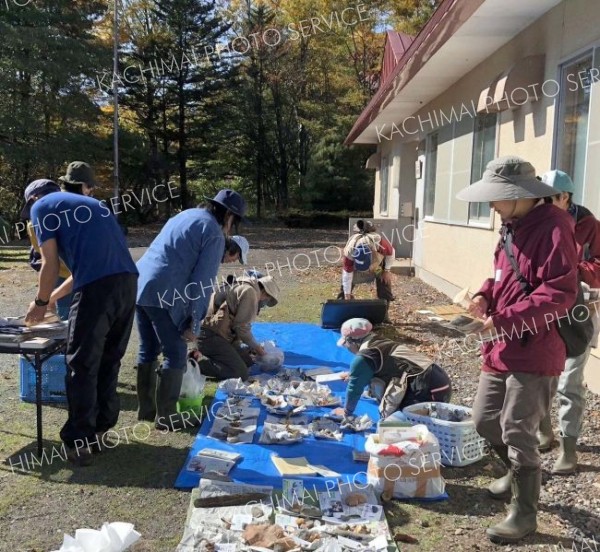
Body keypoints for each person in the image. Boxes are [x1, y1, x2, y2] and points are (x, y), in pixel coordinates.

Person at [456, 156, 579, 543]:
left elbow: (559, 292)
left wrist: (505, 319)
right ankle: (511, 471)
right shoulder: (509, 227)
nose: (491, 205)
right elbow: (501, 277)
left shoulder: (556, 226)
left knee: (518, 428)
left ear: (518, 195)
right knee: (483, 418)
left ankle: (525, 513)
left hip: (536, 346)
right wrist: (481, 296)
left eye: (496, 198)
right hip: (500, 343)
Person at [24, 163, 138, 467]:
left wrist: (39, 301)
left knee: (82, 363)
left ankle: (78, 442)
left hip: (98, 290)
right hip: (127, 283)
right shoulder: (96, 206)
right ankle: (100, 430)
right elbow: (80, 273)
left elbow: (49, 264)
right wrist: (53, 300)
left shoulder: (42, 208)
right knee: (109, 360)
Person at [135, 189, 247, 431]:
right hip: (164, 291)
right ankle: (166, 417)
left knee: (148, 349)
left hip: (140, 282)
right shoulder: (214, 234)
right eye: (234, 222)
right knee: (175, 352)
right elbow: (202, 282)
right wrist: (194, 324)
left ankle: (146, 410)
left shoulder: (185, 215)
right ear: (229, 216)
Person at [536, 170, 600, 474]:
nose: (544, 203)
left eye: (551, 198)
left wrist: (570, 270)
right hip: (547, 310)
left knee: (569, 380)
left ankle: (569, 449)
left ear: (566, 197)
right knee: (542, 374)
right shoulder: (538, 223)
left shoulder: (588, 224)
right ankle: (545, 431)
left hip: (579, 313)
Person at [334, 318, 451, 418]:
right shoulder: (378, 340)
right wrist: (354, 374)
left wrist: (346, 412)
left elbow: (354, 389)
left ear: (352, 341)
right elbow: (388, 365)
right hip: (440, 379)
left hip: (429, 388)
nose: (347, 348)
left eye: (346, 344)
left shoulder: (363, 358)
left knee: (401, 424)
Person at [192, 274, 280, 381]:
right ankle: (194, 364)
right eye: (267, 298)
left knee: (248, 360)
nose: (265, 301)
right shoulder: (250, 293)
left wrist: (254, 348)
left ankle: (201, 355)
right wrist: (258, 348)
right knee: (240, 373)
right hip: (210, 335)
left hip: (213, 333)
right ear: (265, 293)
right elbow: (241, 328)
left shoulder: (244, 284)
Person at [21, 179, 72, 320]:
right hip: (63, 275)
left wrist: (43, 301)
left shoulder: (34, 225)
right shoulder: (80, 212)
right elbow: (44, 261)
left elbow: (49, 263)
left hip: (79, 276)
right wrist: (46, 295)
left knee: (70, 326)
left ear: (33, 200)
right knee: (63, 320)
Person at [338, 220, 395, 322]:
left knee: (385, 283)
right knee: (344, 288)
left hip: (375, 266)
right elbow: (347, 275)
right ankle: (342, 314)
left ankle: (384, 316)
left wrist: (386, 270)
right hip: (356, 269)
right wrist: (347, 294)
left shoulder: (378, 242)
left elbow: (391, 253)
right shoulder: (350, 251)